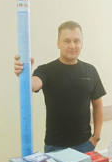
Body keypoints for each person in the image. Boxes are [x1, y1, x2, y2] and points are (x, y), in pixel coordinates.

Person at [13, 21, 106, 154]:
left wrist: (95, 137)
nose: (72, 46)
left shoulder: (90, 70)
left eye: (76, 41)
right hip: (55, 147)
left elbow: (98, 105)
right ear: (58, 43)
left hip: (85, 145)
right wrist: (24, 74)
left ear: (82, 44)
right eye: (67, 41)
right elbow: (33, 85)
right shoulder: (46, 70)